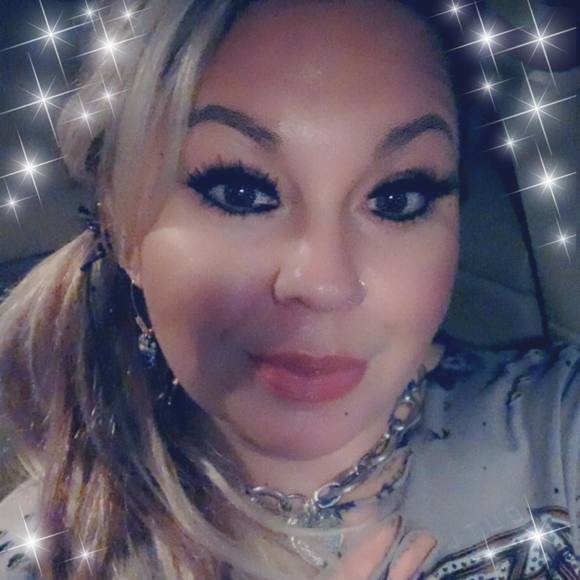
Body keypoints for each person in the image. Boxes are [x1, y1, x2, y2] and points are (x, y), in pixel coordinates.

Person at [0, 0, 578, 578]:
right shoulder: (42, 552)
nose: (324, 283)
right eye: (241, 193)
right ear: (123, 225)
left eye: (397, 198)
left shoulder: (558, 431)